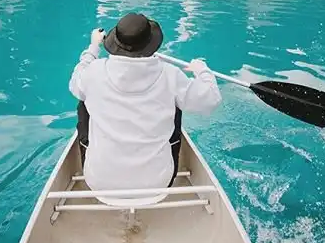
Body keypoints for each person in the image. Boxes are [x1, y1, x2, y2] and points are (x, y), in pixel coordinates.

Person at [68, 12, 222, 194]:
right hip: (157, 183)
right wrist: (202, 71)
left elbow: (75, 82)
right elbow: (211, 99)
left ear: (116, 42)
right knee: (176, 102)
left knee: (83, 98)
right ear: (150, 44)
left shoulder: (94, 72)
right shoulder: (170, 75)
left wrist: (93, 47)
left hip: (99, 182)